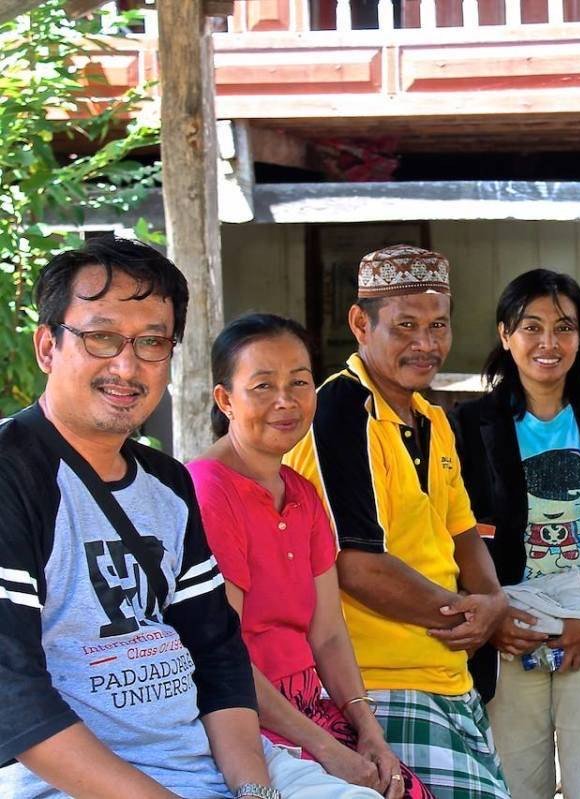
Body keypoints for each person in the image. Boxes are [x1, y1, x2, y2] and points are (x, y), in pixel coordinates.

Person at [0, 237, 374, 799]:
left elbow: (216, 649)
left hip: (214, 759)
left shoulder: (166, 483)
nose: (127, 366)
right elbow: (11, 689)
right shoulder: (14, 475)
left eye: (152, 343)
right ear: (48, 346)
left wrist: (254, 791)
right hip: (68, 781)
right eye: (102, 337)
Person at [285, 245, 511, 799]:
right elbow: (356, 566)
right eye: (405, 325)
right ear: (361, 323)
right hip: (379, 685)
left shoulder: (433, 417)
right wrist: (473, 616)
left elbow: (462, 534)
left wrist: (495, 602)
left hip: (448, 678)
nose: (426, 344)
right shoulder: (339, 412)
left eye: (439, 325)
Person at [188, 313, 434, 799]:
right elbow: (223, 658)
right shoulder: (210, 492)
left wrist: (369, 732)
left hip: (308, 709)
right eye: (262, 386)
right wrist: (327, 748)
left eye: (299, 382)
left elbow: (329, 634)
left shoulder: (300, 491)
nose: (285, 401)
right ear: (225, 400)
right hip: (245, 720)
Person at [450, 270, 580, 798]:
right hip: (507, 636)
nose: (549, 343)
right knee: (514, 789)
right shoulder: (469, 424)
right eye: (531, 327)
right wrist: (493, 620)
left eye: (564, 328)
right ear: (505, 334)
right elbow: (452, 535)